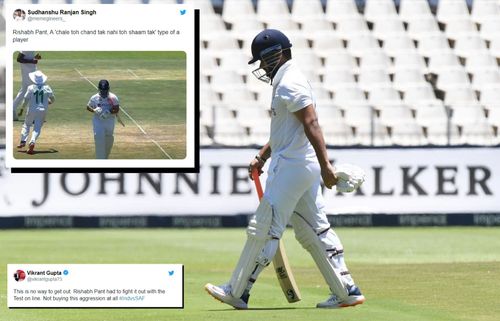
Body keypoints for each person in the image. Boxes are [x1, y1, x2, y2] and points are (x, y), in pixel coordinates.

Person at [205, 29, 365, 309]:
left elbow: (311, 123)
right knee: (314, 231)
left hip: (291, 168)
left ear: (274, 55)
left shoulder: (289, 82)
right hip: (301, 167)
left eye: (262, 61)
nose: (262, 68)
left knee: (264, 228)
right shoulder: (289, 80)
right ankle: (346, 290)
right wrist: (263, 155)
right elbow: (287, 130)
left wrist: (327, 166)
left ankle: (238, 291)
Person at [17, 70, 55, 155]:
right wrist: (49, 101)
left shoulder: (31, 87)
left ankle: (23, 141)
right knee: (37, 128)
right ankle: (32, 142)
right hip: (42, 110)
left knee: (26, 124)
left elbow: (26, 100)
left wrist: (21, 109)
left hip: (32, 109)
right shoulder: (47, 87)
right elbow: (53, 99)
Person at [86, 79, 120, 159]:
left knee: (109, 139)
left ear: (108, 89)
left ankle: (105, 157)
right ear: (99, 89)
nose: (103, 92)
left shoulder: (113, 97)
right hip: (98, 121)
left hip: (109, 121)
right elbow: (88, 106)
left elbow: (117, 109)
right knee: (98, 137)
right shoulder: (94, 97)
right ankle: (100, 160)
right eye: (102, 90)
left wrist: (108, 112)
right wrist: (94, 110)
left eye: (105, 90)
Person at [13, 51, 41, 121]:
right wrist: (32, 60)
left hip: (31, 72)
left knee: (24, 91)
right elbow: (19, 59)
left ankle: (12, 110)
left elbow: (26, 58)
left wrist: (35, 58)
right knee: (33, 91)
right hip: (28, 74)